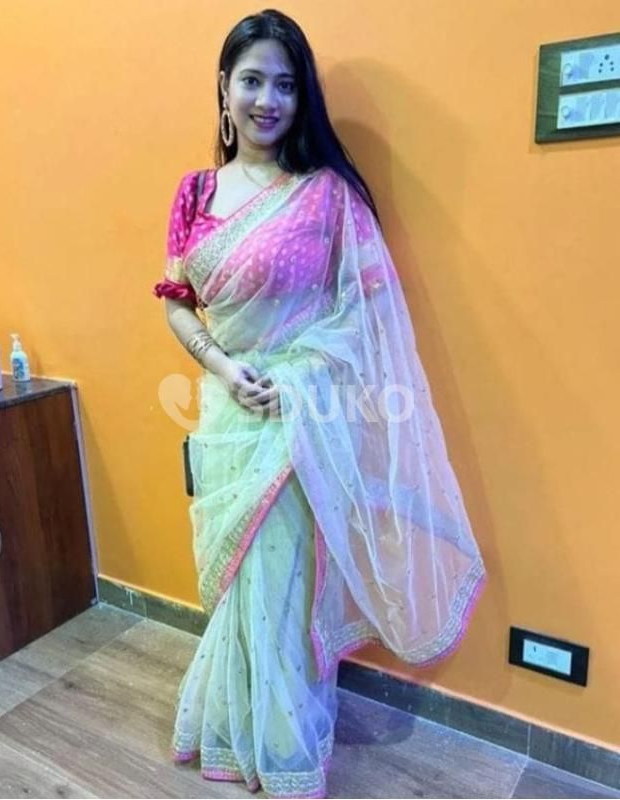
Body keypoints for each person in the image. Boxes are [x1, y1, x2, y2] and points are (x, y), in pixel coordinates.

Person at [153, 9, 487, 798]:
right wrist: (223, 367)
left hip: (298, 422)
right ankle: (234, 731)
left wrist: (299, 376)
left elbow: (367, 313)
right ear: (224, 89)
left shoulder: (326, 196)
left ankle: (284, 750)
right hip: (228, 415)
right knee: (241, 586)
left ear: (302, 98)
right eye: (252, 81)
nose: (267, 100)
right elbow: (176, 302)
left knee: (284, 587)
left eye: (286, 85)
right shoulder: (195, 193)